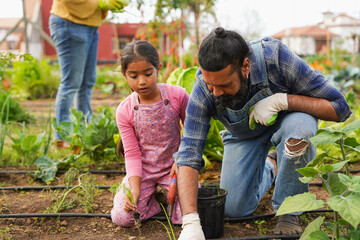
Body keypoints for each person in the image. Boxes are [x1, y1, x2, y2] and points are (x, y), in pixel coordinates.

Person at [174, 27, 351, 239]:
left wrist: (283, 101)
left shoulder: (276, 59)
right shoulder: (204, 89)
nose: (216, 92)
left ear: (245, 67)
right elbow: (189, 153)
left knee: (300, 129)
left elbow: (339, 107)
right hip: (242, 135)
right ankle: (272, 165)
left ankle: (288, 211)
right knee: (234, 210)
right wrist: (190, 221)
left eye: (224, 85)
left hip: (287, 123)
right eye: (211, 85)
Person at [110, 40, 190, 227]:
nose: (142, 81)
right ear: (124, 75)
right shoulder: (125, 110)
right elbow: (132, 153)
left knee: (186, 215)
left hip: (174, 166)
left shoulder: (177, 95)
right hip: (143, 171)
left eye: (148, 74)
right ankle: (153, 202)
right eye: (133, 76)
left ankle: (164, 200)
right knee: (123, 217)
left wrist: (182, 161)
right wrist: (135, 189)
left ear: (158, 68)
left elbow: (191, 133)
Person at [49, 0, 128, 146]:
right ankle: (61, 136)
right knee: (71, 82)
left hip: (90, 26)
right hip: (69, 23)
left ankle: (85, 132)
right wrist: (99, 3)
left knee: (87, 82)